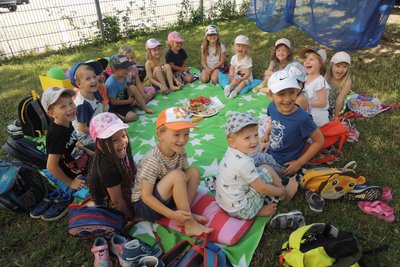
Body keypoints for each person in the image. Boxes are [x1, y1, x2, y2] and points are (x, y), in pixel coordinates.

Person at [131, 107, 213, 237]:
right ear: (160, 135)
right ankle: (188, 223)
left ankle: (186, 214)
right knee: (177, 175)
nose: (183, 140)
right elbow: (146, 197)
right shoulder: (152, 160)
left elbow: (184, 176)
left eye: (186, 134)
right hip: (147, 206)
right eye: (176, 134)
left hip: (165, 196)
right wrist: (172, 215)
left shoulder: (179, 150)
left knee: (193, 171)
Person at [215, 112, 298, 220]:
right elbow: (262, 189)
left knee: (258, 171)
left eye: (255, 135)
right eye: (247, 138)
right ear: (232, 143)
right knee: (267, 169)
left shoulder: (232, 151)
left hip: (225, 203)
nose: (254, 141)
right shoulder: (244, 163)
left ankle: (257, 209)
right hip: (242, 210)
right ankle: (286, 195)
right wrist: (280, 191)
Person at [253, 70, 324, 179]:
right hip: (270, 151)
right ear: (271, 95)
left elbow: (319, 141)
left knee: (250, 169)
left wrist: (299, 162)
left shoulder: (302, 119)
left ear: (297, 91)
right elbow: (275, 122)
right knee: (246, 150)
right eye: (281, 94)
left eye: (291, 92)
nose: (287, 99)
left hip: (283, 164)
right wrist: (268, 135)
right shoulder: (272, 107)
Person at [87, 112, 136, 222]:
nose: (123, 142)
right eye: (114, 140)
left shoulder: (103, 154)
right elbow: (117, 202)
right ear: (99, 144)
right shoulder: (109, 170)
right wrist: (130, 218)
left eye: (123, 136)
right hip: (109, 206)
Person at [41, 86, 87, 191]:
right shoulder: (57, 134)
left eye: (71, 103)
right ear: (51, 113)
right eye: (63, 107)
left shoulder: (66, 121)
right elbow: (51, 166)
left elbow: (73, 144)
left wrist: (87, 150)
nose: (70, 108)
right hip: (74, 174)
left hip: (80, 158)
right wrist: (70, 183)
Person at [70, 61, 104, 150]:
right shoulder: (82, 105)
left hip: (96, 126)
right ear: (79, 84)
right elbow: (82, 128)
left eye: (94, 76)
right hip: (87, 136)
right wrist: (100, 133)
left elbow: (100, 109)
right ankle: (83, 147)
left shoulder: (95, 93)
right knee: (107, 148)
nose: (93, 80)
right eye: (88, 79)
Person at [119, 44, 156, 113]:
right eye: (127, 59)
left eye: (132, 57)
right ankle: (139, 102)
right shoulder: (122, 71)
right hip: (128, 94)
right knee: (131, 101)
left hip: (137, 90)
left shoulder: (134, 68)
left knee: (152, 89)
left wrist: (143, 94)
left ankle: (141, 102)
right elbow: (123, 88)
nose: (130, 60)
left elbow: (138, 83)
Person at [299, 47, 330, 127]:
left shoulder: (320, 81)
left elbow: (323, 103)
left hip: (317, 119)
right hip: (307, 113)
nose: (307, 62)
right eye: (305, 60)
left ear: (321, 63)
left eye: (311, 59)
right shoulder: (306, 78)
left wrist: (305, 102)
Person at [105, 54, 138, 122]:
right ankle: (119, 119)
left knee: (133, 88)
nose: (128, 69)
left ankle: (144, 107)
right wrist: (128, 101)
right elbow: (113, 102)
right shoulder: (111, 83)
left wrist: (129, 97)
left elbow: (125, 88)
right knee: (132, 117)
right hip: (116, 106)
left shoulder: (123, 76)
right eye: (124, 68)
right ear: (114, 69)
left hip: (123, 99)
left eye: (127, 66)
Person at [325, 51, 352, 119]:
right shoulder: (326, 76)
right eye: (337, 66)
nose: (341, 69)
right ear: (332, 66)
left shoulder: (347, 82)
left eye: (344, 67)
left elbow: (339, 99)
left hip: (336, 107)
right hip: (324, 102)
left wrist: (335, 116)